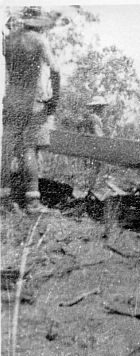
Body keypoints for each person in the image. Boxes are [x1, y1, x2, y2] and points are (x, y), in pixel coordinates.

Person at [1, 6, 60, 214]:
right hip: (31, 102)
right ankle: (33, 203)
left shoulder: (8, 40)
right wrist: (55, 99)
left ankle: (3, 199)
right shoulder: (38, 40)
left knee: (6, 150)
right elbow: (55, 68)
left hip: (11, 100)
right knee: (29, 149)